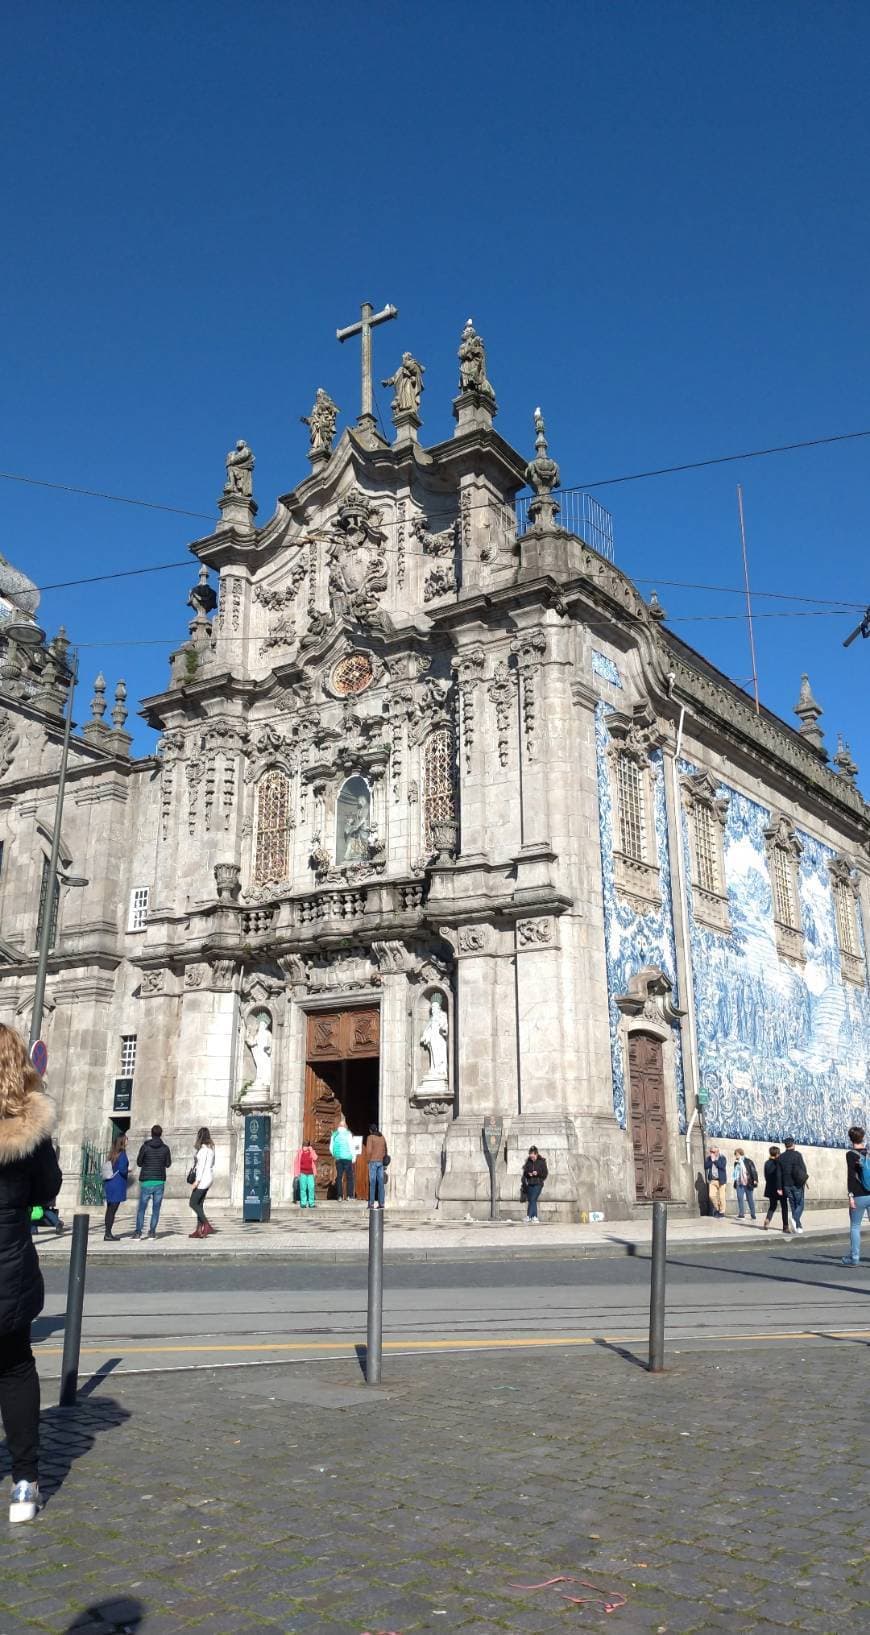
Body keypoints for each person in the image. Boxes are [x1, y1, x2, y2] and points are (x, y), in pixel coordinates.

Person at [0, 1023, 63, 1523]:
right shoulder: (31, 1126)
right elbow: (48, 1190)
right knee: (15, 1367)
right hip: (9, 1265)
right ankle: (24, 1483)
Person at [134, 1124, 172, 1240]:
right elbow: (168, 1164)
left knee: (142, 1208)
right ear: (161, 1134)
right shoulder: (165, 1148)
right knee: (156, 1208)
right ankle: (152, 1232)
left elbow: (139, 1163)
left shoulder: (145, 1147)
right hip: (159, 1181)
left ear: (151, 1133)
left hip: (146, 1181)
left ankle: (138, 1233)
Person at [841, 1125, 870, 1266]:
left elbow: (851, 1177)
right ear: (863, 1137)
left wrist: (850, 1195)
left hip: (859, 1195)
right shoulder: (868, 1153)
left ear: (850, 1139)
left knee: (855, 1226)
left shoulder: (850, 1154)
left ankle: (854, 1257)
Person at [188, 1127, 216, 1239]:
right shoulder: (211, 1150)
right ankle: (198, 1230)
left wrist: (197, 1181)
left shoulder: (203, 1151)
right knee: (199, 1204)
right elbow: (212, 1165)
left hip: (203, 1180)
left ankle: (207, 1225)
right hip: (209, 1178)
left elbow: (201, 1167)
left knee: (193, 1203)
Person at [778, 1137, 808, 1234]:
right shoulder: (797, 1155)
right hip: (797, 1184)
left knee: (793, 1205)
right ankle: (795, 1219)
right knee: (800, 1204)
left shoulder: (780, 1157)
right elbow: (803, 1169)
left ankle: (798, 1227)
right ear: (793, 1144)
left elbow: (779, 1173)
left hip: (786, 1185)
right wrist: (804, 1179)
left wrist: (779, 1187)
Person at [103, 1133, 130, 1241]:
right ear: (122, 1141)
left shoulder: (112, 1153)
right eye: (127, 1139)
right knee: (112, 1210)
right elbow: (123, 1169)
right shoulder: (122, 1154)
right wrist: (128, 1170)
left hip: (110, 1183)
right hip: (117, 1184)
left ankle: (107, 1232)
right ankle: (108, 1234)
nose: (128, 1141)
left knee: (109, 1210)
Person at [762, 1145, 789, 1233]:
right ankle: (785, 1226)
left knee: (772, 1206)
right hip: (780, 1187)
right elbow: (780, 1175)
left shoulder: (767, 1163)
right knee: (784, 1206)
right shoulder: (779, 1162)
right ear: (777, 1153)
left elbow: (766, 1176)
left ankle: (767, 1219)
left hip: (770, 1188)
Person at [521, 1146, 548, 1224]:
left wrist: (537, 1173)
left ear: (536, 1154)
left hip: (538, 1183)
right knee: (532, 1200)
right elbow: (525, 1172)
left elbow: (545, 1173)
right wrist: (528, 1173)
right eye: (530, 1155)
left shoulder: (541, 1162)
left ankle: (529, 1216)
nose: (531, 1157)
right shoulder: (528, 1162)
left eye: (533, 1155)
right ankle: (535, 1217)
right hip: (530, 1183)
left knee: (532, 1199)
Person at [329, 1118, 355, 1200]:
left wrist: (335, 1155)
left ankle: (339, 1196)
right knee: (349, 1177)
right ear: (345, 1126)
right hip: (347, 1158)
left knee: (339, 1177)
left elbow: (331, 1147)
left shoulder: (334, 1134)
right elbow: (351, 1146)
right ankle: (349, 1196)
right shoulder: (348, 1134)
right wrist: (353, 1157)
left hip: (338, 1158)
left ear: (339, 1126)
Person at [364, 1124, 388, 1210]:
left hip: (373, 1162)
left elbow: (369, 1151)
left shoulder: (370, 1137)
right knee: (381, 1183)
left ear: (370, 1130)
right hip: (381, 1162)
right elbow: (385, 1150)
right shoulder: (382, 1137)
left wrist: (368, 1160)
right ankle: (381, 1203)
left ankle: (371, 1204)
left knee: (373, 1183)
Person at [732, 1147, 757, 1222]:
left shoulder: (748, 1161)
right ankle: (741, 1214)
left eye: (736, 1154)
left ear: (740, 1154)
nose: (735, 1156)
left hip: (748, 1182)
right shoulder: (736, 1162)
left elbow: (753, 1171)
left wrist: (755, 1180)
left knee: (750, 1199)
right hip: (739, 1183)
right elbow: (736, 1173)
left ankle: (753, 1215)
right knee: (740, 1198)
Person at [705, 1145, 727, 1217]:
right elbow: (706, 1166)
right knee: (711, 1196)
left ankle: (722, 1212)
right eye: (711, 1151)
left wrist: (715, 1161)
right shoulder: (709, 1158)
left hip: (721, 1180)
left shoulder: (722, 1158)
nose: (711, 1153)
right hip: (712, 1180)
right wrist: (711, 1160)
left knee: (721, 1197)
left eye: (713, 1152)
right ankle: (717, 1209)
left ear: (717, 1152)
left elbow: (722, 1167)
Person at [296, 1138, 318, 1209]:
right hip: (302, 1173)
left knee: (311, 1187)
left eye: (305, 1146)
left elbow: (315, 1158)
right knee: (303, 1188)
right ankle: (303, 1203)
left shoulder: (311, 1152)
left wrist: (311, 1150)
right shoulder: (300, 1152)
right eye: (303, 1146)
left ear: (308, 1146)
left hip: (310, 1173)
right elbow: (296, 1163)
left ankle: (311, 1203)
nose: (304, 1147)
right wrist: (297, 1173)